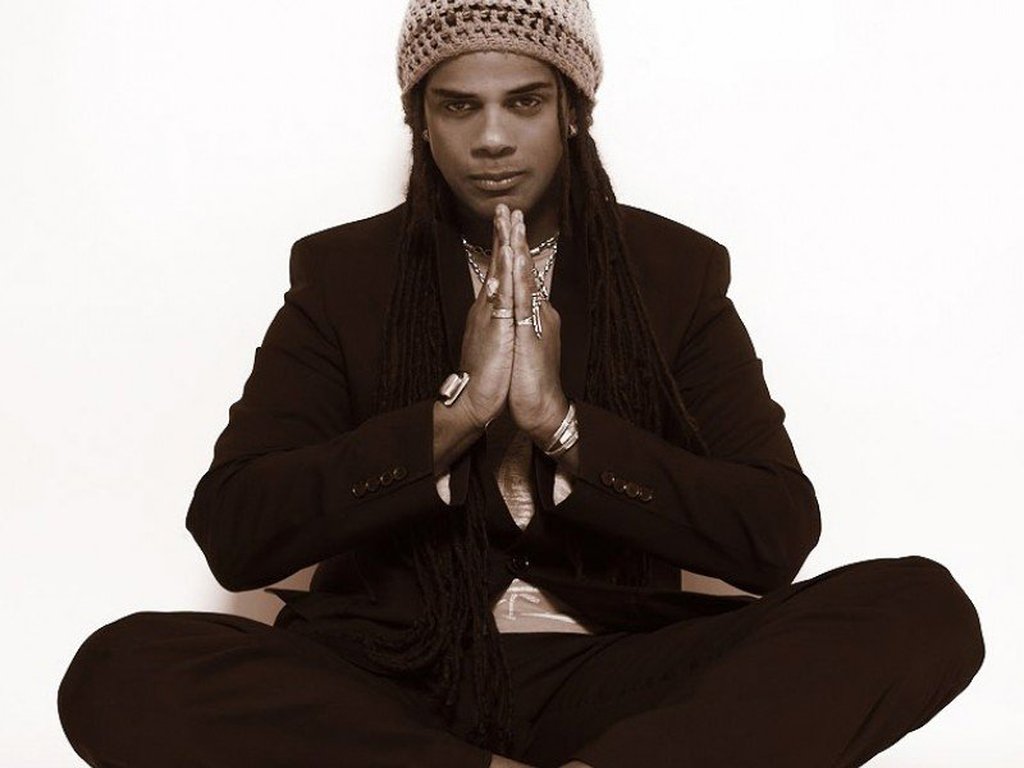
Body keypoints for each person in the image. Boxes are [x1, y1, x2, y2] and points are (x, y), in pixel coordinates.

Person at [56, 2, 985, 766]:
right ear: (421, 119)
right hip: (392, 675)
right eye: (459, 106)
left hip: (610, 669)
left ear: (572, 110)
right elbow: (235, 531)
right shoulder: (344, 275)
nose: (492, 138)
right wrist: (451, 421)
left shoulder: (672, 272)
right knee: (120, 669)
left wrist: (564, 427)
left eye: (525, 103)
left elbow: (773, 534)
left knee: (919, 607)